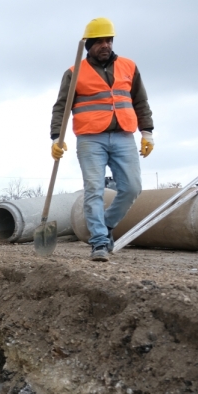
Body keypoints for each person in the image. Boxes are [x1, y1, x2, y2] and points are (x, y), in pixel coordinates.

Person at [50, 17, 154, 262]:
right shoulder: (74, 72)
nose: (106, 45)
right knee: (94, 190)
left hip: (123, 135)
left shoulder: (129, 66)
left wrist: (147, 131)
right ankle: (98, 242)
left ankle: (105, 225)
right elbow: (61, 107)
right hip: (90, 139)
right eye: (100, 41)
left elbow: (140, 101)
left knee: (131, 187)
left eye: (109, 40)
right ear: (89, 45)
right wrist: (56, 137)